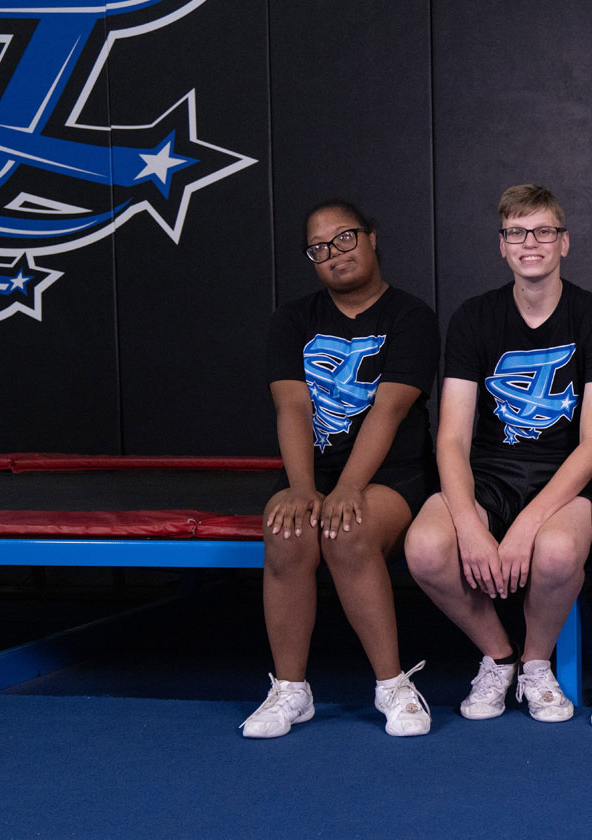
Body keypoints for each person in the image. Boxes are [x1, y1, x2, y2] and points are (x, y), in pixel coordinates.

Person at [404, 184, 592, 724]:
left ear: (564, 243)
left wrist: (527, 524)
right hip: (490, 472)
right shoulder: (474, 318)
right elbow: (452, 439)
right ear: (502, 245)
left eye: (544, 231)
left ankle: (535, 665)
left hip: (565, 472)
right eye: (518, 233)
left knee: (551, 552)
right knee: (427, 548)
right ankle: (499, 657)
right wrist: (470, 526)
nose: (532, 243)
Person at [245, 199, 436, 738]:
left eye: (345, 238)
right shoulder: (292, 320)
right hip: (316, 468)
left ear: (372, 237)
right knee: (285, 533)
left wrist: (350, 485)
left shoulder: (410, 315)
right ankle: (290, 691)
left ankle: (393, 685)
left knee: (346, 529)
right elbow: (293, 405)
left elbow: (390, 407)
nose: (335, 254)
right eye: (319, 248)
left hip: (390, 473)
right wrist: (302, 486)